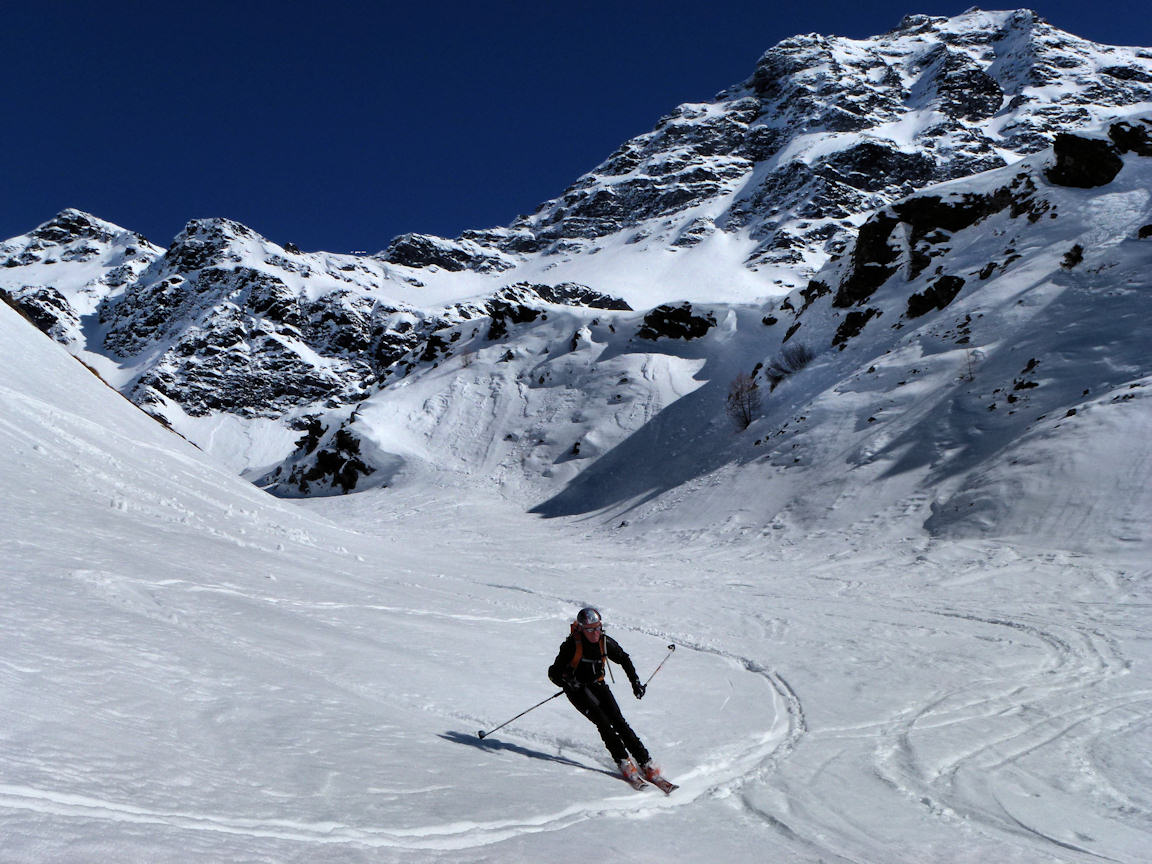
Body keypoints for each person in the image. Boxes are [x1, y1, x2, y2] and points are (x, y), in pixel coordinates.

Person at [547, 606, 661, 784]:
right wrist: (567, 683)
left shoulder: (604, 642)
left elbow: (624, 658)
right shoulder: (571, 646)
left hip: (597, 685)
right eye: (591, 629)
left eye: (598, 627)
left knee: (619, 721)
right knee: (603, 722)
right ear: (582, 629)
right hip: (577, 690)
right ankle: (623, 760)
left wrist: (635, 683)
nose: (595, 633)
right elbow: (553, 673)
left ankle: (645, 761)